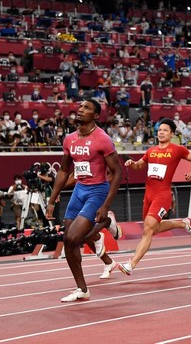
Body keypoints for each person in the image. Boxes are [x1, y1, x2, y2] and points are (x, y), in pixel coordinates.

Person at [46, 99, 123, 302]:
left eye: (86, 108)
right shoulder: (70, 139)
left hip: (97, 191)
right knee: (69, 241)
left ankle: (106, 221)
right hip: (79, 191)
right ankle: (82, 289)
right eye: (80, 107)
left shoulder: (102, 139)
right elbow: (64, 171)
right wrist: (52, 200)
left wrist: (105, 205)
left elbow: (117, 173)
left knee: (73, 238)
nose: (80, 110)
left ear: (96, 116)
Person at [118, 118, 191, 276]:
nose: (161, 132)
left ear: (172, 134)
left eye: (165, 130)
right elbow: (139, 166)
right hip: (148, 194)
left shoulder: (177, 149)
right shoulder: (151, 151)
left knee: (148, 229)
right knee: (150, 229)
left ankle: (131, 264)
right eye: (159, 130)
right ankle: (182, 224)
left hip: (163, 195)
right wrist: (131, 163)